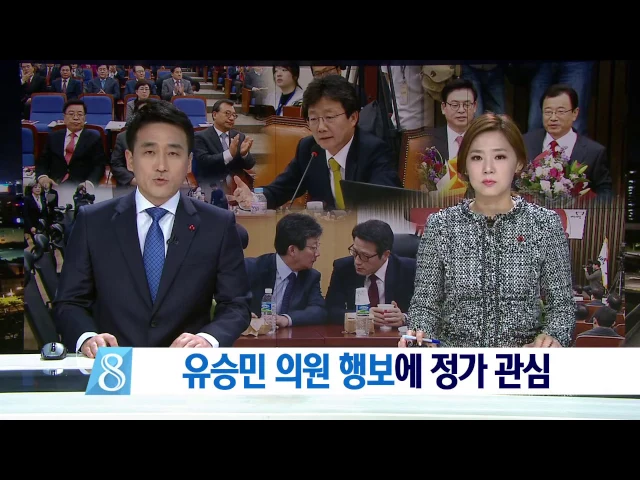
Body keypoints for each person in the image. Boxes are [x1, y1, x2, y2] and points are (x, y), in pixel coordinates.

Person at [53, 100, 251, 357]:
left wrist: (206, 339)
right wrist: (88, 338)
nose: (161, 166)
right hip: (113, 366)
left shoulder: (218, 224)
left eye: (173, 154)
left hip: (185, 367)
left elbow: (236, 305)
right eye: (149, 152)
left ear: (188, 163)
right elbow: (69, 302)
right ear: (130, 160)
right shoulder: (92, 222)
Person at [399, 112, 575, 348]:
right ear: (464, 165)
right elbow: (425, 304)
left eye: (500, 156)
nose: (488, 168)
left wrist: (551, 338)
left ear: (518, 162)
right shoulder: (441, 226)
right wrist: (419, 336)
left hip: (520, 362)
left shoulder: (544, 224)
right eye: (477, 158)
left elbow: (562, 307)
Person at [232, 74, 400, 210]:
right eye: (313, 119)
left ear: (353, 118)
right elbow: (279, 190)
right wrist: (252, 199)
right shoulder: (309, 149)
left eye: (330, 117)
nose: (321, 128)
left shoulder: (374, 151)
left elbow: (388, 205)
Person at [325, 219, 416, 327]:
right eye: (355, 252)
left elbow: (429, 310)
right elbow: (330, 310)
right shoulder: (343, 268)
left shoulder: (410, 269)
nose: (357, 261)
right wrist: (361, 316)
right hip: (359, 334)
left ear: (385, 255)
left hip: (396, 335)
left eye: (365, 256)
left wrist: (404, 318)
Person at [244, 213, 327, 327]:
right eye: (313, 248)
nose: (317, 254)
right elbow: (231, 303)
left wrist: (286, 319)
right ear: (292, 250)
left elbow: (319, 311)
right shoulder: (251, 268)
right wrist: (244, 314)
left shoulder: (311, 276)